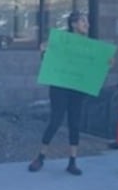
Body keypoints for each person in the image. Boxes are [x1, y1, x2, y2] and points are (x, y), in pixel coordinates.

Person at [28, 11, 91, 176]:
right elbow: (49, 60)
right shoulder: (62, 40)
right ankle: (40, 157)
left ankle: (72, 161)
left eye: (87, 21)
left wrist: (106, 62)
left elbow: (93, 65)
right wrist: (43, 51)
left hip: (77, 88)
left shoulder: (89, 44)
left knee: (75, 123)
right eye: (83, 21)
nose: (87, 24)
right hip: (60, 87)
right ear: (74, 24)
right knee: (55, 120)